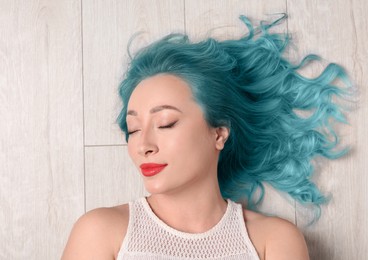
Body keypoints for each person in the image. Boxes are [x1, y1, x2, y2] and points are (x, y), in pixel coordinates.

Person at [62, 15, 350, 260]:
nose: (143, 146)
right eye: (133, 129)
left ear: (218, 133)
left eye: (165, 123)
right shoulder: (101, 232)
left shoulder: (272, 241)